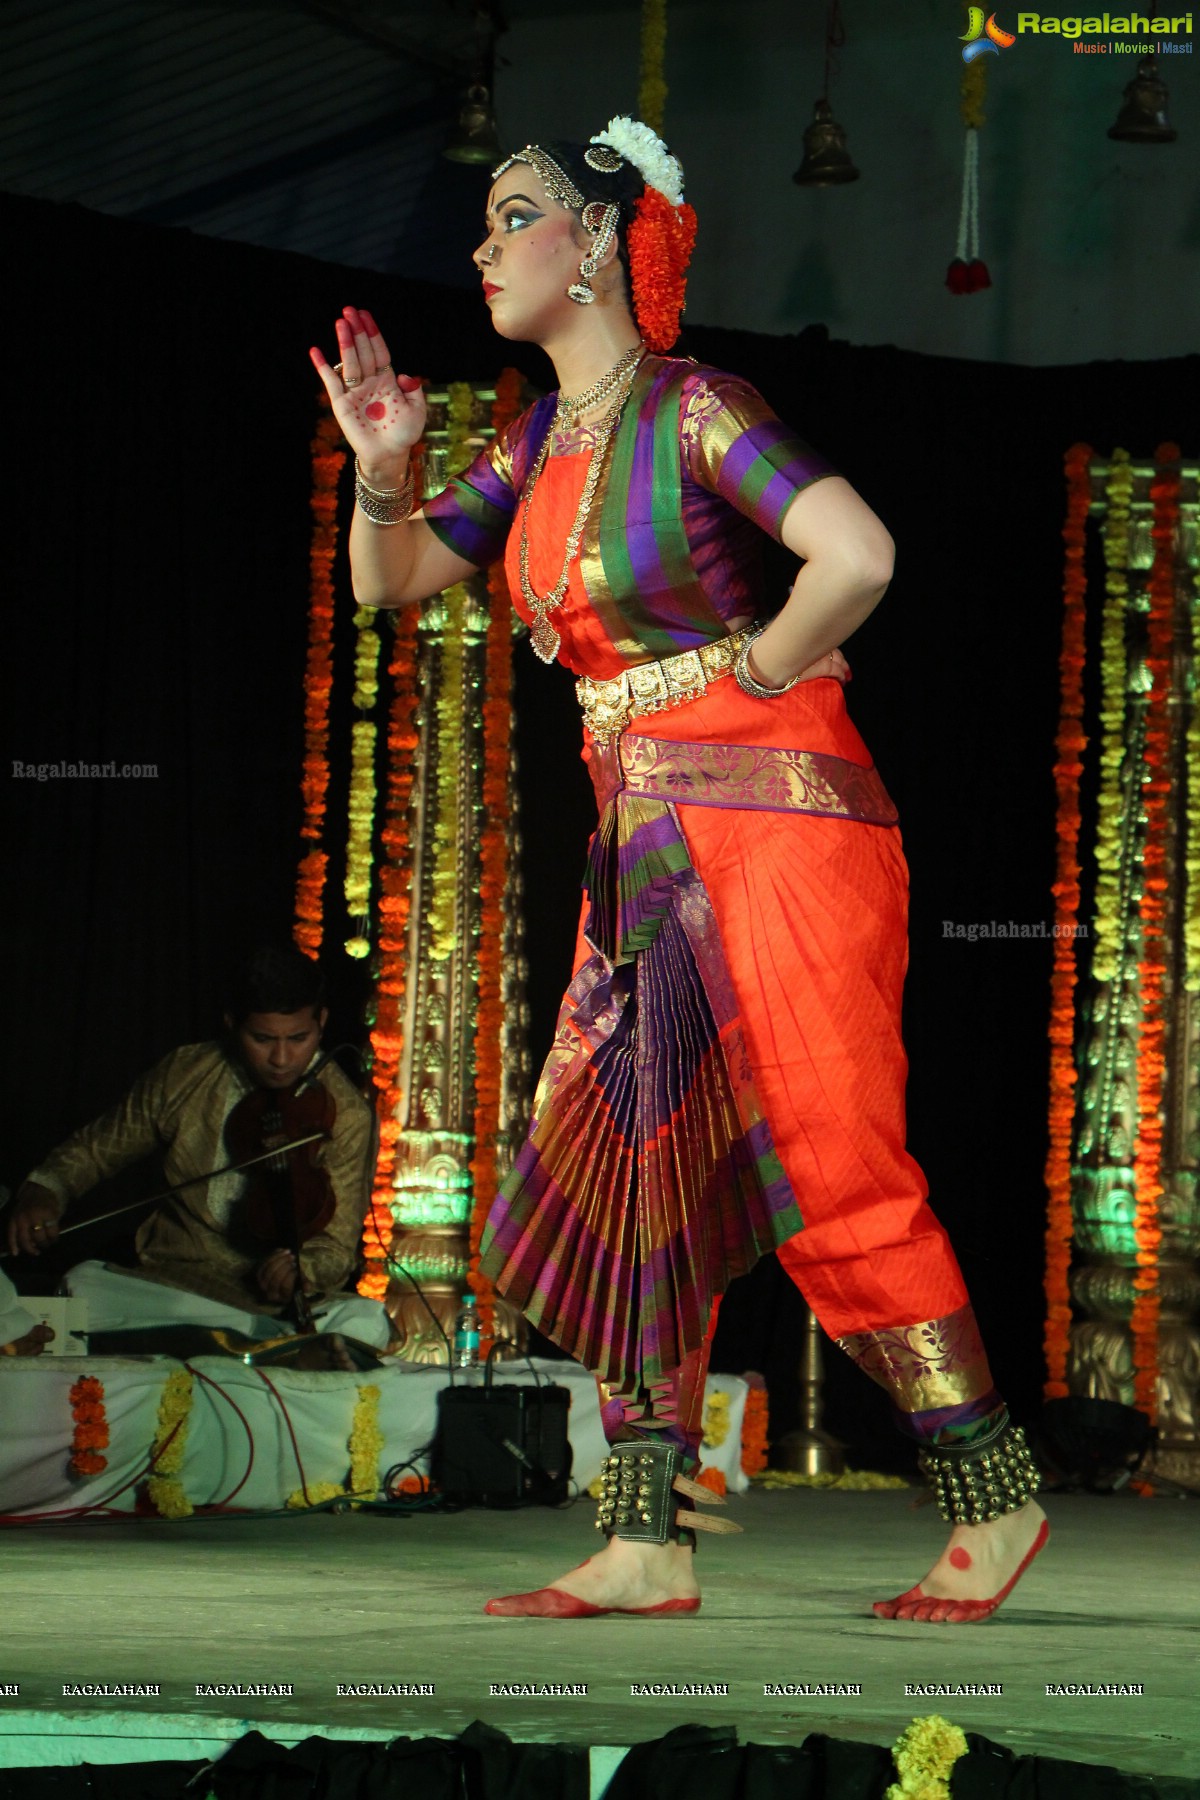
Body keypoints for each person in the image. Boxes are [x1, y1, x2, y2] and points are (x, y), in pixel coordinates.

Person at [308, 116, 1048, 1622]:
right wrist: (384, 470)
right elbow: (392, 583)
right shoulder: (533, 440)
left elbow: (860, 556)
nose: (481, 243)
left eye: (513, 215)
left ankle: (996, 1489)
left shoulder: (701, 410)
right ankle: (644, 1539)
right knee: (632, 1167)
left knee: (834, 1160)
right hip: (641, 846)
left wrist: (759, 674)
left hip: (781, 827)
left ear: (594, 239)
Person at [5, 945, 391, 1350]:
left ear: (322, 1022)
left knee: (367, 1320)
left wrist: (300, 1271)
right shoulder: (185, 1072)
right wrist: (45, 1189)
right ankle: (260, 1347)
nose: (281, 1058)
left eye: (299, 1038)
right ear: (231, 1024)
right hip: (173, 1282)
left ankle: (235, 1339)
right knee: (82, 1285)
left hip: (272, 1306)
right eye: (262, 1039)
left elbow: (335, 1247)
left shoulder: (346, 1115)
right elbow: (96, 1150)